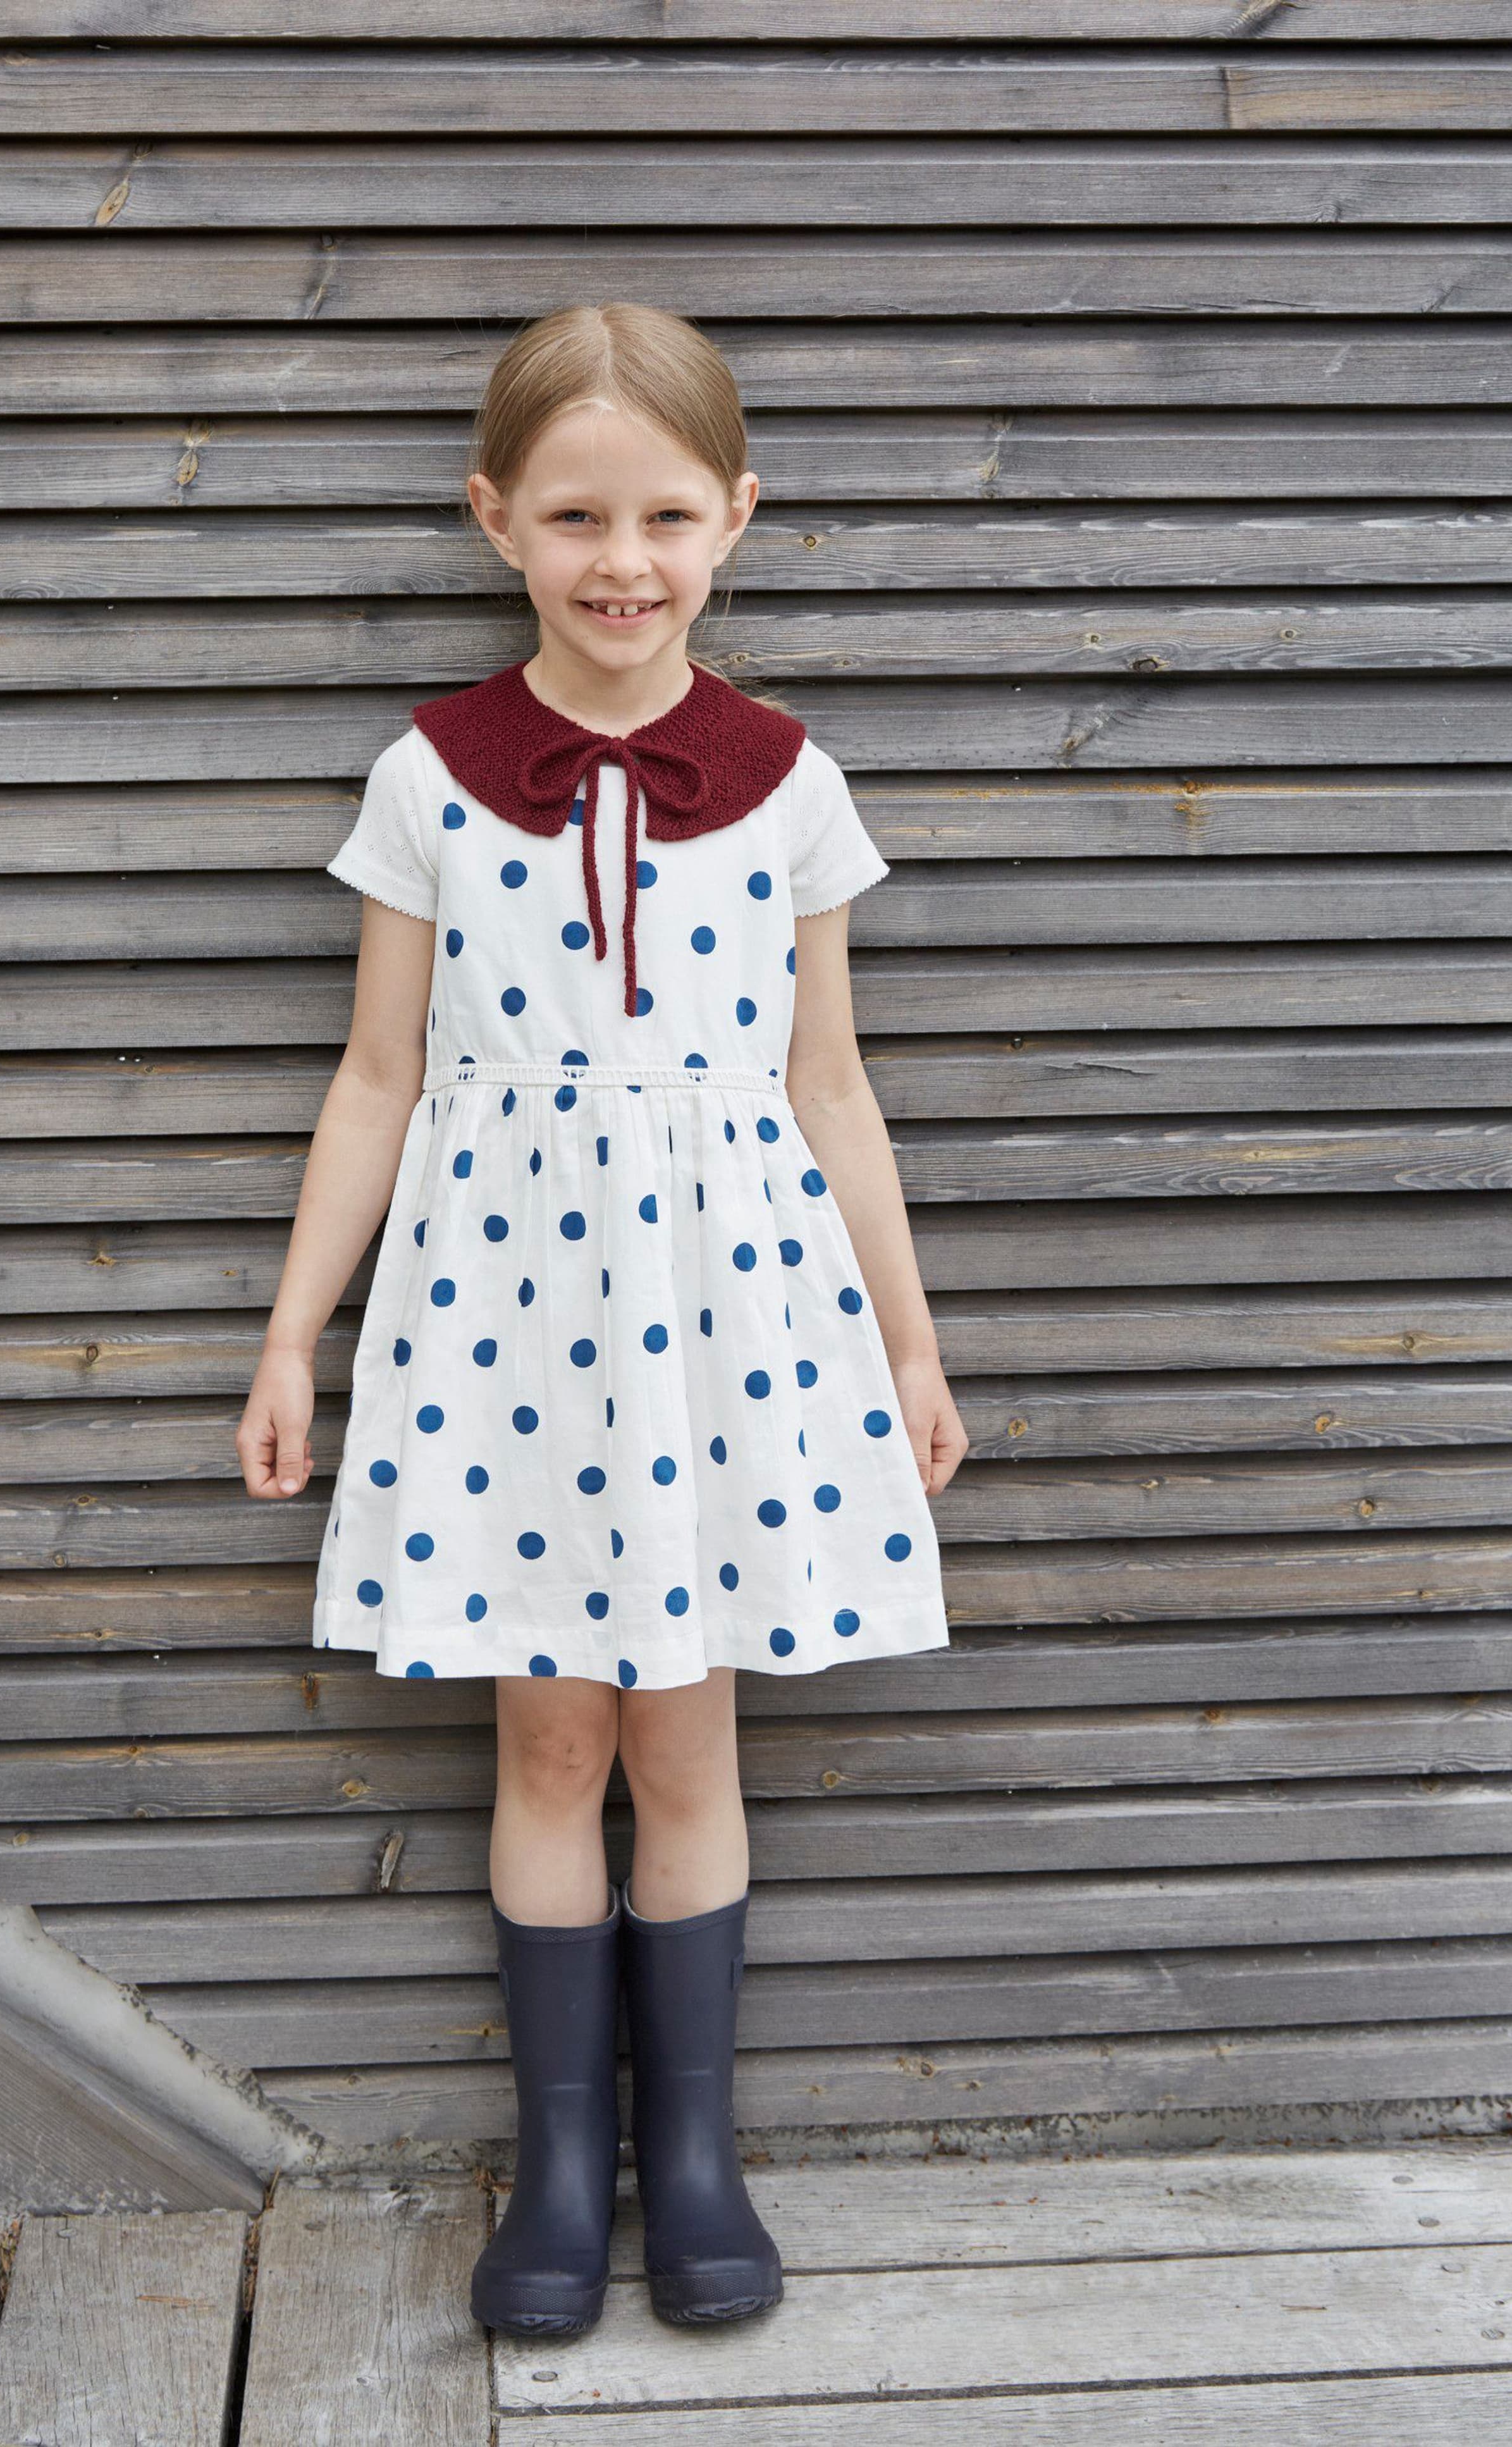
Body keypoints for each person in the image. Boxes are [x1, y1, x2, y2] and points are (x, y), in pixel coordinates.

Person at [235, 300, 968, 2339]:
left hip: (728, 1323)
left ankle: (699, 2164)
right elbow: (378, 1075)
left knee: (691, 1728)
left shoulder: (790, 783)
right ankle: (563, 2171)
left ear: (736, 516)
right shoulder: (431, 779)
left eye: (662, 515)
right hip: (508, 1326)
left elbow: (833, 1088)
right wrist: (294, 1332)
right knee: (551, 1735)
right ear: (498, 520)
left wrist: (909, 1348)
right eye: (574, 516)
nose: (620, 560)